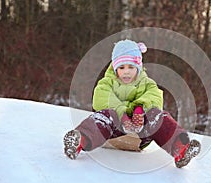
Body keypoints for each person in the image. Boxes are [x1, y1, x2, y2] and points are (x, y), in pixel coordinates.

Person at [63, 39, 201, 168]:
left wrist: (140, 109)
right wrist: (122, 114)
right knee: (105, 115)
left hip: (139, 137)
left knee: (157, 116)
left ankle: (181, 148)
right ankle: (80, 140)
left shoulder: (147, 83)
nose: (126, 72)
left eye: (131, 67)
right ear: (115, 67)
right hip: (111, 134)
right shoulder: (107, 82)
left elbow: (155, 97)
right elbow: (101, 98)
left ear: (139, 67)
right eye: (121, 67)